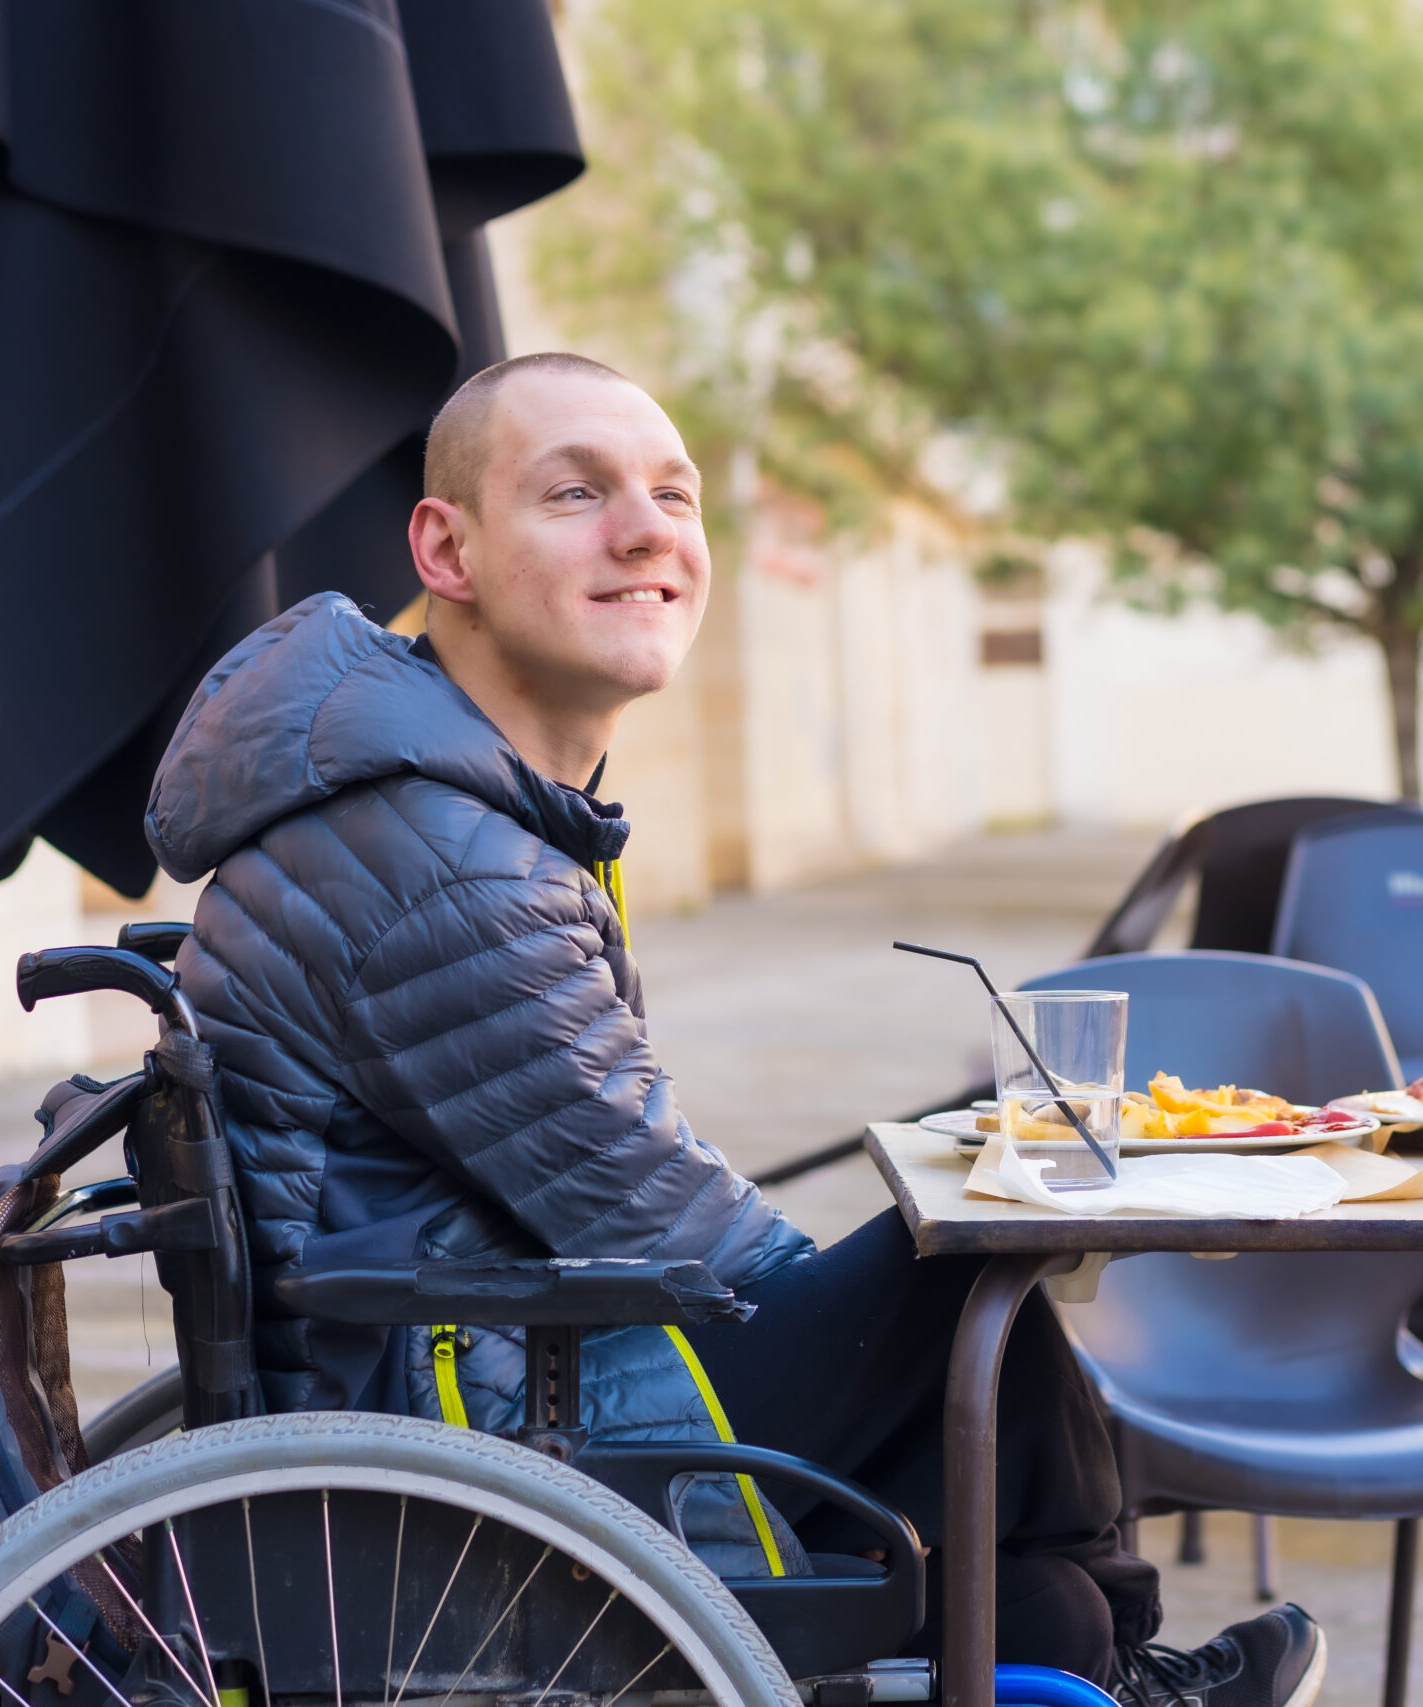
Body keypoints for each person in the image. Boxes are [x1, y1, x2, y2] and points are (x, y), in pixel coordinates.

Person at [142, 352, 1326, 1707]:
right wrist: (927, 1252)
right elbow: (687, 1249)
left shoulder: (462, 811)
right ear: (446, 549)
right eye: (576, 494)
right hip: (475, 1436)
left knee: (1033, 1599)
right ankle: (1136, 1658)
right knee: (966, 1280)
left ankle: (1113, 1651)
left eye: (674, 495)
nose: (647, 532)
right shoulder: (438, 863)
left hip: (505, 1356)